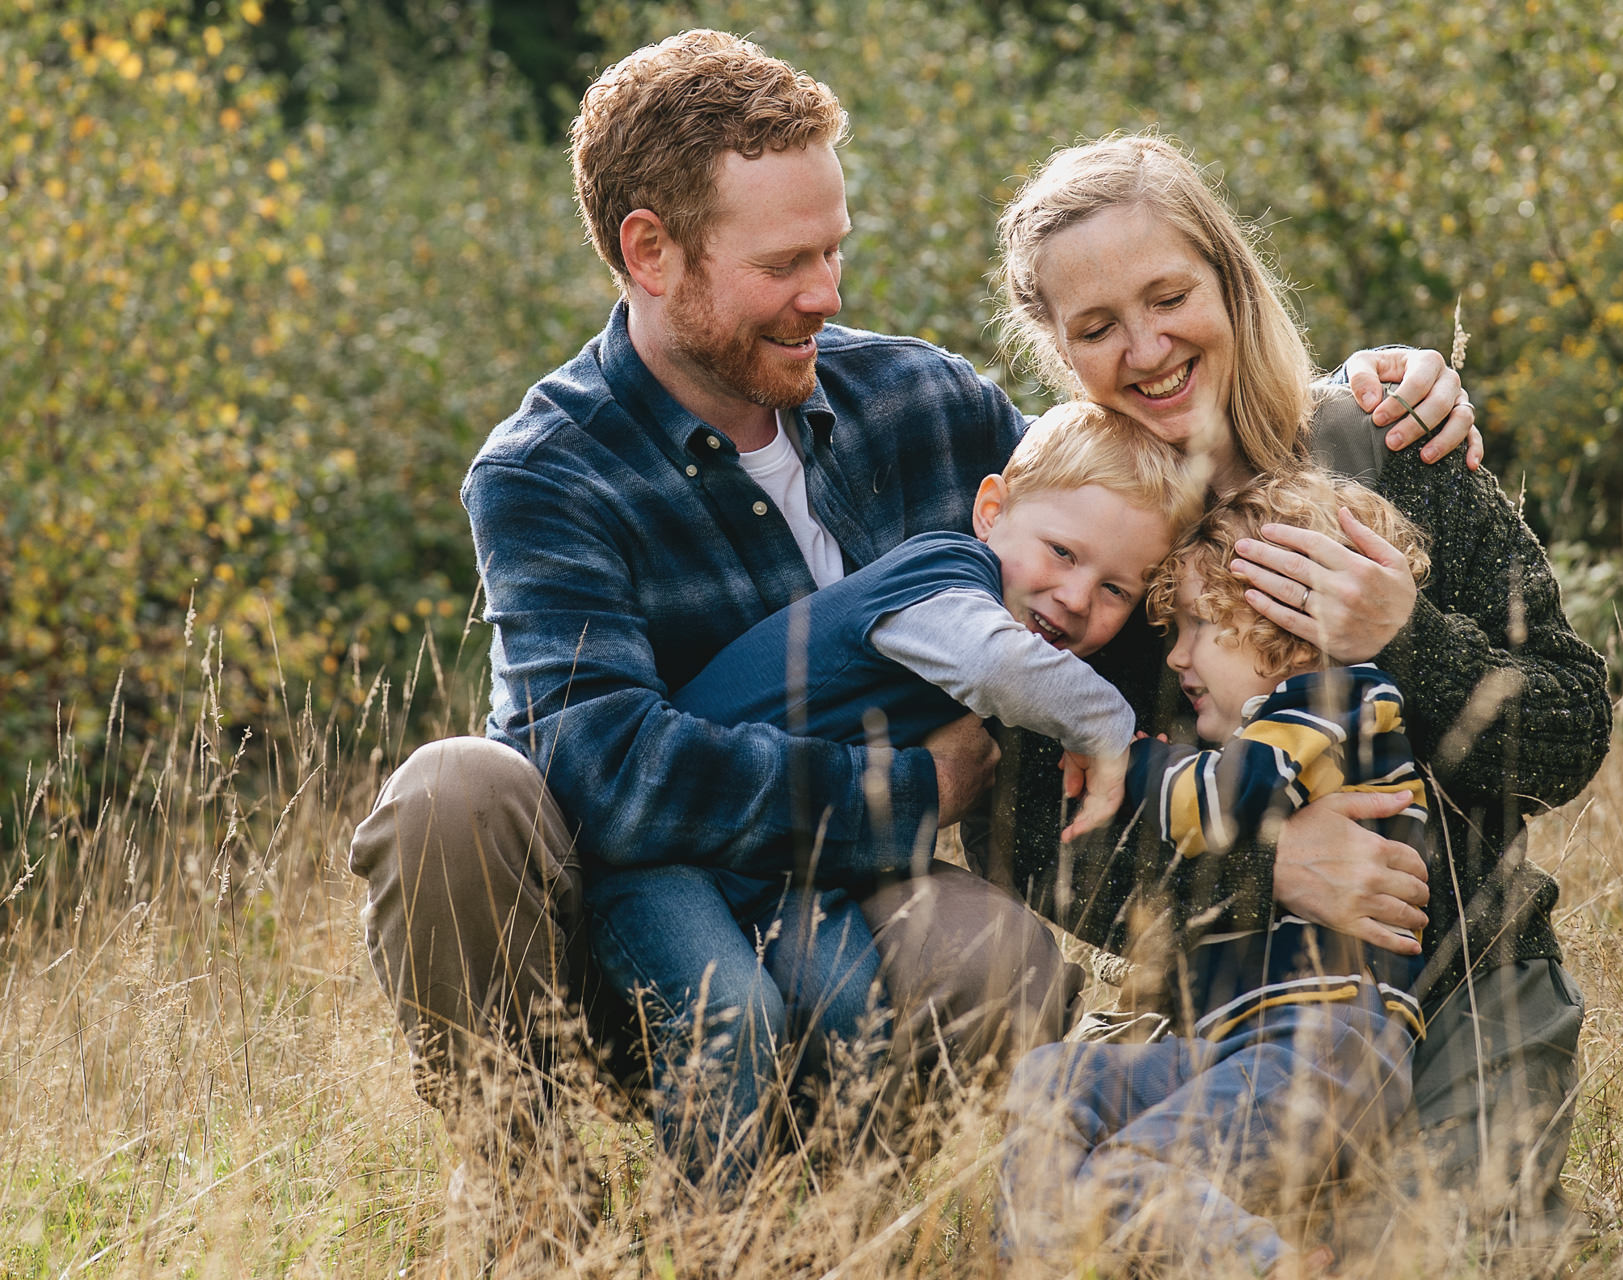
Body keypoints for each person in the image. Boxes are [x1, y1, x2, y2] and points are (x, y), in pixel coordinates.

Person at [343, 28, 1476, 1251]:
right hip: (631, 916)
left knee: (998, 959)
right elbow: (606, 771)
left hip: (838, 911)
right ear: (651, 251)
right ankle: (537, 1198)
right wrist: (910, 788)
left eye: (835, 249)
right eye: (787, 263)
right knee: (453, 792)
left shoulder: (920, 405)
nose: (827, 294)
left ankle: (828, 1215)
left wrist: (1360, 393)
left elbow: (1120, 489)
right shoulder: (546, 470)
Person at [986, 134, 1612, 1250]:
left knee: (1444, 1258)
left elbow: (1568, 732)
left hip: (1465, 978)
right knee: (1106, 1211)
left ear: (1231, 277)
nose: (1147, 347)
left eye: (1170, 295)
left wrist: (1406, 639)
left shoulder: (1384, 447)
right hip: (1227, 1010)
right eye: (1095, 328)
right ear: (1058, 351)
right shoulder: (1085, 544)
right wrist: (1267, 859)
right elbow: (1030, 828)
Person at [589, 401, 1203, 1187]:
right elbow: (998, 668)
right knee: (733, 1016)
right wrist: (1107, 728)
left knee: (851, 1012)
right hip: (666, 850)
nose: (1078, 598)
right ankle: (710, 1246)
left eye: (1116, 590)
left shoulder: (1010, 610)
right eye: (1060, 551)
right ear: (992, 510)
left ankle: (820, 1226)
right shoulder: (941, 576)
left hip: (787, 870)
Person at [999, 470, 1432, 1275]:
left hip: (1328, 1047)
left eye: (1200, 625)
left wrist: (1116, 753)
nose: (1177, 655)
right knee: (1052, 1082)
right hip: (1246, 1046)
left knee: (1124, 1177)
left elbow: (1218, 807)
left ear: (1289, 626)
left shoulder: (1341, 698)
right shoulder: (1283, 725)